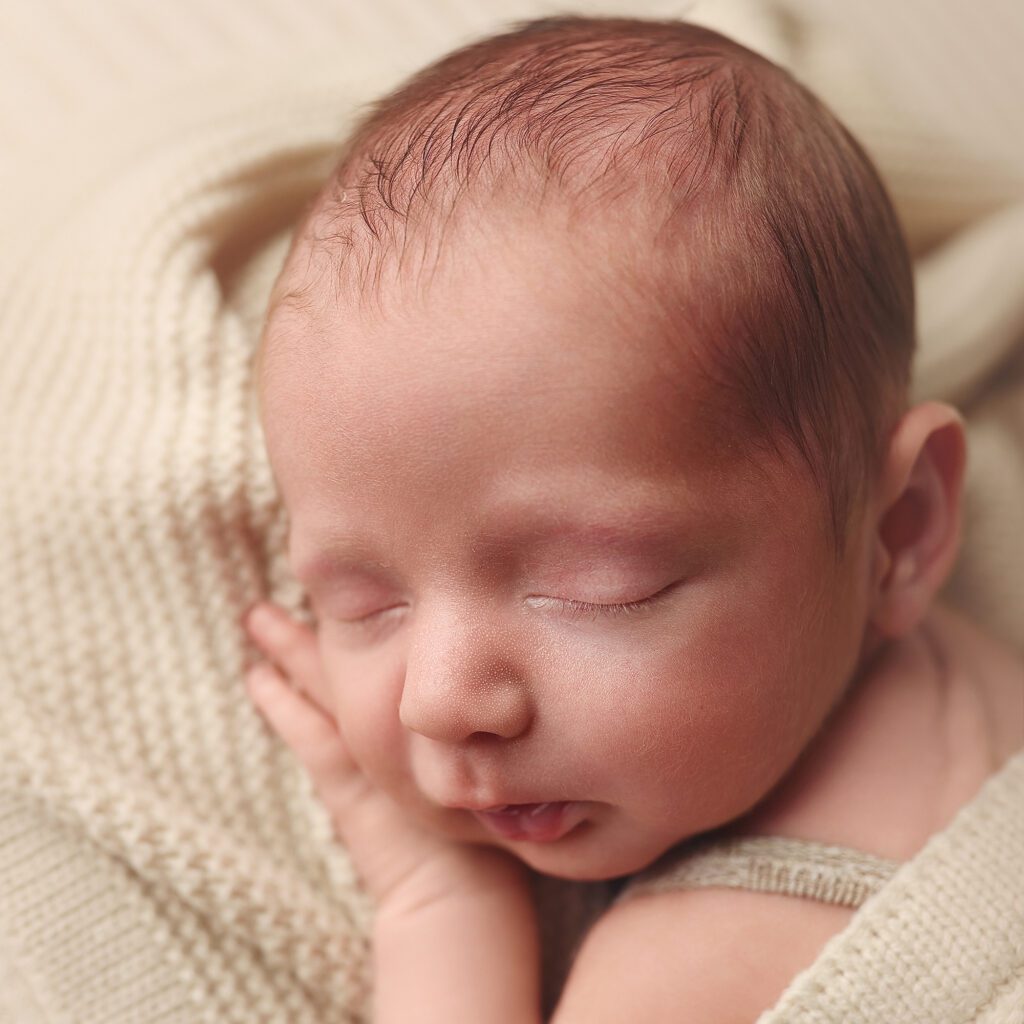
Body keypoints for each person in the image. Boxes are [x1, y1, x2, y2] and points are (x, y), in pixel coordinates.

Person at [240, 15, 1024, 1022]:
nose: (439, 702)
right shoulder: (967, 684)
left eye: (592, 586)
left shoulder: (693, 967)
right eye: (360, 604)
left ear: (901, 529)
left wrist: (438, 900)